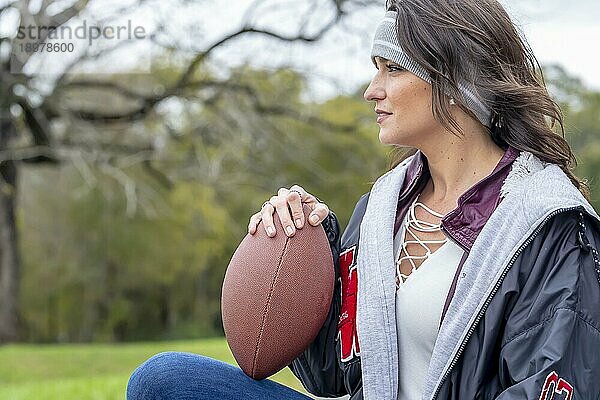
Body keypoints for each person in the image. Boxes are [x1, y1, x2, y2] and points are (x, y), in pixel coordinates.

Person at [127, 0, 600, 399]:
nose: (371, 91)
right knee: (165, 380)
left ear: (455, 80)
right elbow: (334, 375)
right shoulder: (382, 209)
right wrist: (308, 250)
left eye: (392, 69)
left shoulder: (547, 226)